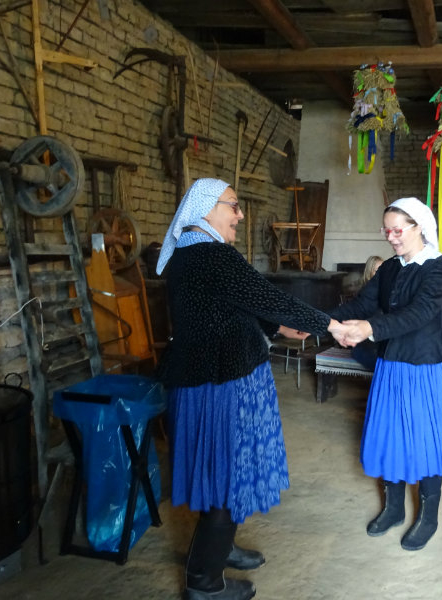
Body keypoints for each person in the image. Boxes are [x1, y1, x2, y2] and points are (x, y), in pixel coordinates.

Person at [155, 178, 344, 600]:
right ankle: (203, 584)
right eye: (234, 206)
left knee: (223, 475)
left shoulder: (191, 253)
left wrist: (277, 328)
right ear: (207, 208)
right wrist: (329, 325)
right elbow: (266, 297)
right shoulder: (213, 255)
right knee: (227, 477)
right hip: (220, 385)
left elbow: (230, 307)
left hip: (212, 378)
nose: (240, 215)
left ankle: (220, 549)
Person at [329, 197, 442, 552]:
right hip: (392, 364)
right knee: (390, 436)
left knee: (426, 442)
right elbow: (364, 304)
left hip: (427, 368)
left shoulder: (439, 270)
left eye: (397, 230)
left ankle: (428, 517)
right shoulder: (392, 268)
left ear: (419, 227)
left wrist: (368, 328)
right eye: (386, 231)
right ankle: (394, 508)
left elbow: (420, 314)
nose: (391, 237)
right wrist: (322, 320)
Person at [350, 255, 384, 371]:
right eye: (377, 271)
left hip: (378, 341)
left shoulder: (384, 291)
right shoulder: (364, 294)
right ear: (369, 273)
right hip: (363, 345)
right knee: (384, 363)